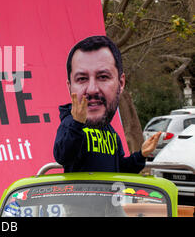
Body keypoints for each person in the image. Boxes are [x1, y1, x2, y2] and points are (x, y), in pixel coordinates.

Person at [53, 35, 161, 173]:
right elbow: (62, 156)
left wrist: (141, 155)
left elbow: (120, 169)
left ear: (121, 83)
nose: (92, 89)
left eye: (103, 77)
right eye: (82, 79)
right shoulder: (70, 124)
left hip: (109, 194)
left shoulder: (110, 132)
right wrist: (76, 124)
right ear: (70, 87)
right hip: (79, 195)